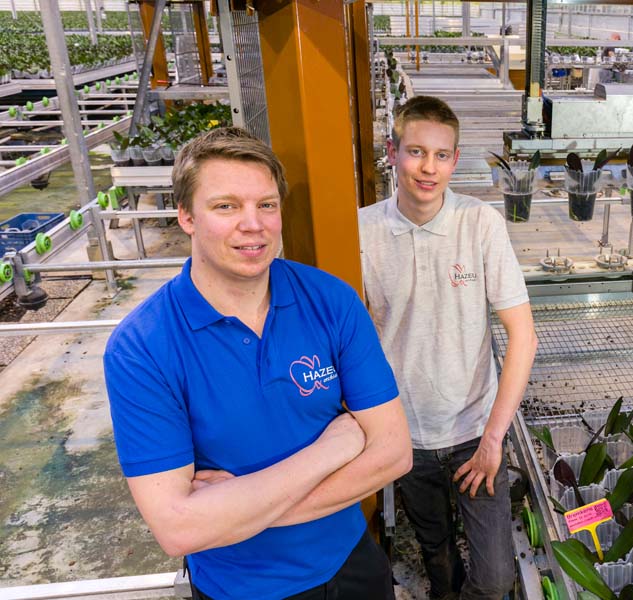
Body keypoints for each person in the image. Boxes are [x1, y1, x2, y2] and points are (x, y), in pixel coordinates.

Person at [103, 127, 412, 600]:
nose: (253, 224)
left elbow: (393, 453)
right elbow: (178, 530)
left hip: (351, 564)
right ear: (186, 216)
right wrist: (335, 447)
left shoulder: (330, 300)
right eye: (226, 206)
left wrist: (235, 512)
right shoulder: (141, 347)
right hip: (239, 587)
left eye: (266, 204)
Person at [358, 96, 538, 600]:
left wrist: (494, 438)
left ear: (455, 160)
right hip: (405, 433)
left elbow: (523, 336)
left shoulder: (479, 223)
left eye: (441, 155)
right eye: (416, 152)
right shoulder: (362, 231)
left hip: (474, 431)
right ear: (392, 152)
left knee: (495, 578)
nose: (428, 168)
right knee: (435, 550)